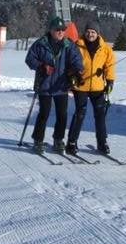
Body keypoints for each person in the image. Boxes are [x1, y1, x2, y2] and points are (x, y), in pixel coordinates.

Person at [25, 16, 83, 153]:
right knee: (44, 113)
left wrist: (77, 69)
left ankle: (58, 140)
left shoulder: (69, 44)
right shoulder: (40, 44)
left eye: (63, 29)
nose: (61, 32)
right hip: (44, 84)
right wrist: (41, 66)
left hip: (61, 85)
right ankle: (38, 140)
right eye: (57, 30)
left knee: (62, 114)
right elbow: (29, 59)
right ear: (50, 30)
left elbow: (77, 59)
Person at [66, 21, 115, 154]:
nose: (90, 34)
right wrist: (73, 76)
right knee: (80, 114)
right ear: (85, 32)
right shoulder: (77, 45)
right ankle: (71, 142)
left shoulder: (105, 49)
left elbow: (109, 66)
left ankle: (102, 142)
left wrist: (110, 81)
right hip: (81, 86)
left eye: (93, 32)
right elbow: (69, 63)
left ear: (97, 33)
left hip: (98, 87)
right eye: (88, 31)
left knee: (100, 115)